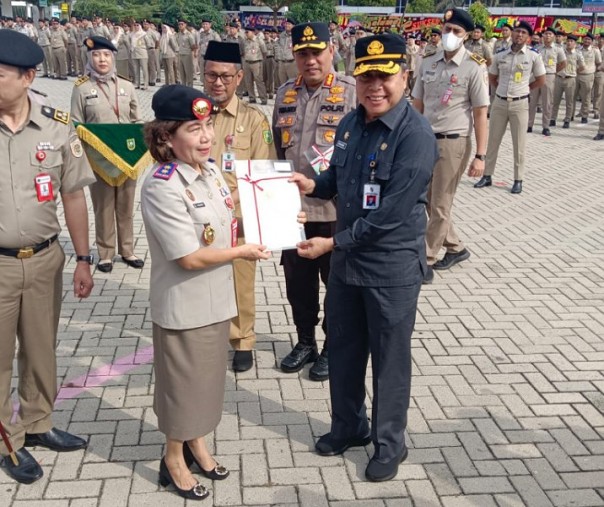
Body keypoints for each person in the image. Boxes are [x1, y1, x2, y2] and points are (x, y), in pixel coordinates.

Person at [290, 32, 437, 482]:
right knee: (347, 350)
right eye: (366, 76)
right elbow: (336, 175)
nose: (375, 85)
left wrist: (332, 243)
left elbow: (390, 214)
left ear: (404, 77)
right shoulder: (352, 123)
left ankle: (390, 443)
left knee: (389, 358)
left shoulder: (416, 136)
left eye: (384, 76)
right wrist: (309, 184)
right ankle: (348, 426)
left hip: (389, 269)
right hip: (348, 266)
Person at [141, 84, 270, 500]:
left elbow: (230, 210)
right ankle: (173, 457)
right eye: (194, 129)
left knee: (207, 382)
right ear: (165, 137)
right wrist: (243, 251)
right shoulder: (162, 184)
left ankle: (197, 444)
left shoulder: (209, 171)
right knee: (182, 386)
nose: (206, 136)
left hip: (217, 299)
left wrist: (280, 207)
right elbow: (189, 258)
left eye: (208, 125)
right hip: (185, 303)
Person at [0, 29, 95, 485]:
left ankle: (37, 424)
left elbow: (74, 196)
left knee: (40, 351)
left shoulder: (57, 127)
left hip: (45, 260)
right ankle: (7, 441)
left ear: (27, 77)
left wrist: (82, 259)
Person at [272, 22, 356, 381]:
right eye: (302, 53)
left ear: (331, 51)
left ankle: (332, 347)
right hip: (292, 210)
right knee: (298, 284)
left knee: (335, 285)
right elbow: (278, 147)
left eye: (316, 52)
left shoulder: (351, 92)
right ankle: (305, 340)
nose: (310, 60)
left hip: (335, 208)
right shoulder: (284, 93)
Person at [203, 41, 277, 372]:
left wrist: (263, 226)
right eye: (211, 76)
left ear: (239, 77)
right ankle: (203, 337)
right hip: (197, 219)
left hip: (238, 220)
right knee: (198, 281)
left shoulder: (254, 120)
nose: (217, 83)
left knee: (239, 283)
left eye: (224, 76)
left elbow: (264, 173)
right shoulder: (191, 115)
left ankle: (242, 339)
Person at [412, 8, 489, 283]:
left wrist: (481, 156)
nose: (450, 35)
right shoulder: (428, 62)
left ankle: (426, 259)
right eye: (447, 30)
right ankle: (456, 247)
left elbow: (481, 113)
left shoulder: (474, 66)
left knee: (441, 204)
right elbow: (417, 103)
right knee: (429, 203)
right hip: (425, 140)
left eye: (457, 31)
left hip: (453, 143)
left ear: (466, 36)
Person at [70, 36, 145, 273]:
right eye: (96, 55)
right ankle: (105, 254)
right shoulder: (81, 88)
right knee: (103, 207)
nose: (101, 60)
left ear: (113, 57)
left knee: (126, 206)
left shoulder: (127, 86)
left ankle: (128, 250)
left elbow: (137, 120)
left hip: (126, 159)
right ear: (89, 58)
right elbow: (75, 124)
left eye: (106, 55)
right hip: (99, 160)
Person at [474, 21, 545, 195]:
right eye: (517, 32)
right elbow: (492, 77)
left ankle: (518, 179)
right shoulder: (500, 55)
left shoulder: (533, 56)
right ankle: (487, 175)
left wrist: (527, 88)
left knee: (519, 143)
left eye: (523, 33)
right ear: (512, 34)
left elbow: (541, 79)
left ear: (528, 38)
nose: (519, 35)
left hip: (520, 104)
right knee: (493, 141)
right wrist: (499, 88)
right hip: (499, 102)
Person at [527, 27, 566, 136]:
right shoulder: (537, 48)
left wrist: (553, 72)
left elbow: (563, 63)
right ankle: (529, 125)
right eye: (546, 34)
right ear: (542, 36)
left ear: (553, 36)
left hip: (549, 76)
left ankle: (546, 126)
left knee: (547, 102)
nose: (547, 36)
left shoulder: (558, 49)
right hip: (535, 76)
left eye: (550, 34)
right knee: (532, 101)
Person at [551, 34, 584, 129]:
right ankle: (553, 119)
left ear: (575, 44)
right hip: (559, 78)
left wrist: (574, 72)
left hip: (570, 79)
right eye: (568, 41)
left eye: (571, 41)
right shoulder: (561, 52)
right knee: (555, 100)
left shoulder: (578, 53)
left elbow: (582, 66)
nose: (569, 43)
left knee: (569, 102)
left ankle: (567, 120)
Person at [576, 33, 602, 123]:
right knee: (573, 96)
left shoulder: (595, 51)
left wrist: (592, 70)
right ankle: (570, 115)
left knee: (586, 96)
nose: (587, 41)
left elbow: (598, 63)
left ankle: (584, 115)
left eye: (589, 40)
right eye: (585, 39)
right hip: (577, 75)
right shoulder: (578, 50)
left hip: (588, 75)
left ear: (592, 41)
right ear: (583, 40)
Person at [242, 27, 267, 104]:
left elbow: (264, 51)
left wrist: (260, 59)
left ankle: (263, 98)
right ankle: (252, 97)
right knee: (248, 81)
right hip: (247, 63)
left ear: (252, 32)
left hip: (256, 63)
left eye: (247, 32)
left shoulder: (259, 40)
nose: (246, 34)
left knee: (259, 81)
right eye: (245, 32)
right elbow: (243, 51)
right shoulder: (245, 41)